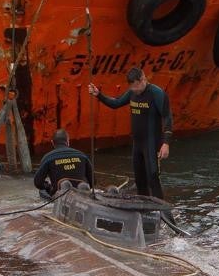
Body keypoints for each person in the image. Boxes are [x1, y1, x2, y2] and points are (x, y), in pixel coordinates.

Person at [88, 67, 172, 199]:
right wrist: (98, 94)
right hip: (137, 143)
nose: (135, 90)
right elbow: (116, 103)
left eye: (137, 86)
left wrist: (166, 143)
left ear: (143, 79)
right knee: (139, 180)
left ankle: (161, 213)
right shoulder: (132, 92)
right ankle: (144, 209)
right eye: (132, 87)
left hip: (151, 143)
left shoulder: (157, 93)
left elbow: (167, 117)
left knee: (153, 178)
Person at [33, 128, 94, 196]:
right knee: (82, 185)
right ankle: (81, 188)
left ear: (52, 143)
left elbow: (38, 183)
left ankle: (64, 189)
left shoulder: (48, 158)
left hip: (60, 196)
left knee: (44, 191)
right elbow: (93, 181)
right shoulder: (82, 155)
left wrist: (48, 187)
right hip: (81, 193)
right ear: (68, 142)